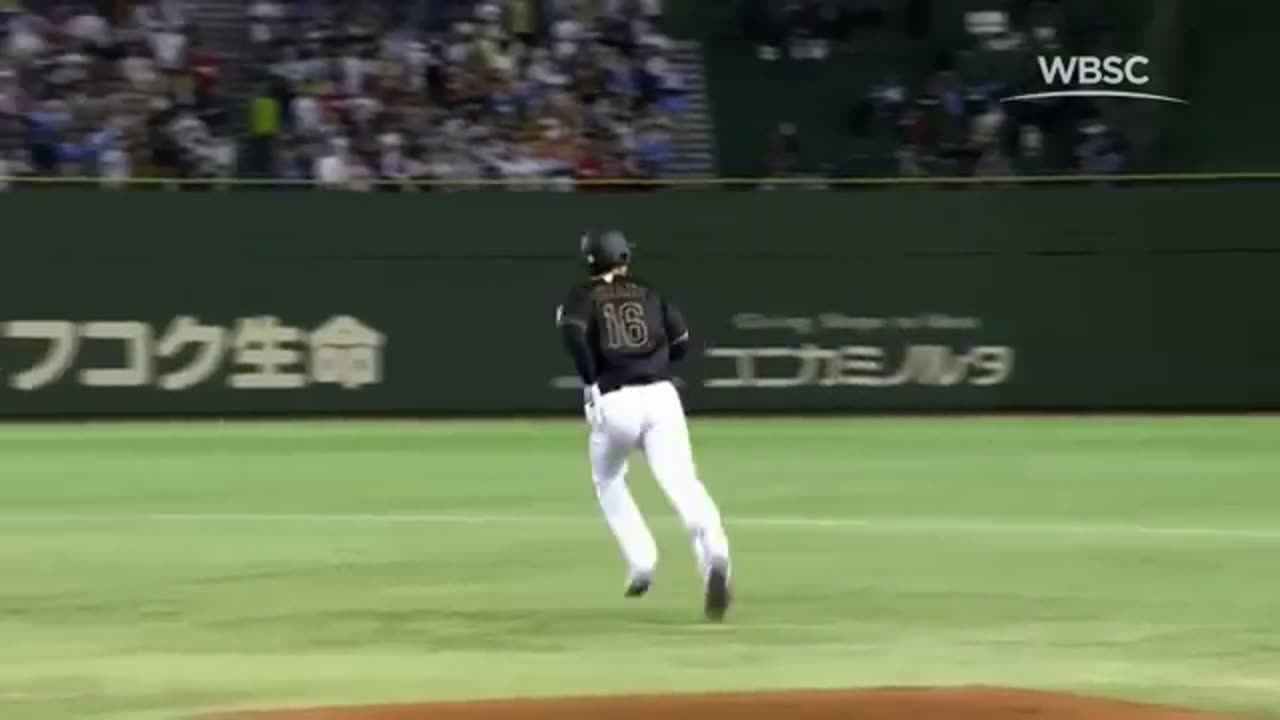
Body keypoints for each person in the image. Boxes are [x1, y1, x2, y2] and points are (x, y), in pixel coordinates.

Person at [555, 230, 733, 621]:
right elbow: (682, 342)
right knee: (683, 483)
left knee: (608, 480)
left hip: (614, 398)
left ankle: (642, 561)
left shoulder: (581, 295)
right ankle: (715, 552)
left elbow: (572, 335)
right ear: (623, 257)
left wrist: (589, 383)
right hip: (662, 397)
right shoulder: (649, 292)